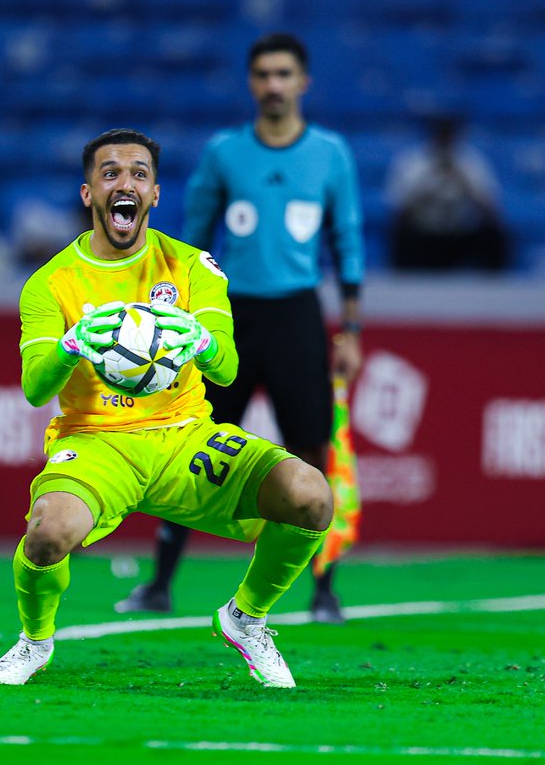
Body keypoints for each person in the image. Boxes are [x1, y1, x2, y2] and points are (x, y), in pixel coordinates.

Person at [0, 128, 334, 688]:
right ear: (88, 193)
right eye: (111, 173)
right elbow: (33, 385)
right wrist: (72, 345)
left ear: (156, 193)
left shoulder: (193, 267)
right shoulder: (50, 284)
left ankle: (247, 618)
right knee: (47, 535)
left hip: (185, 437)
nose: (127, 183)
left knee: (311, 495)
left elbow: (227, 369)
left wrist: (200, 340)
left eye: (139, 174)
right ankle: (33, 643)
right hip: (97, 443)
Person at [115, 32, 365, 626]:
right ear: (251, 83)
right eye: (262, 75)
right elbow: (192, 240)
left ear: (303, 82)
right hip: (229, 316)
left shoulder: (330, 154)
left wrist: (350, 328)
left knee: (310, 447)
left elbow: (347, 240)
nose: (273, 85)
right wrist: (170, 311)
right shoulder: (225, 153)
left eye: (283, 74)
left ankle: (323, 586)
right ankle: (160, 583)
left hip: (298, 315)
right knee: (190, 442)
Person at [386, 114, 509, 272]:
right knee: (399, 235)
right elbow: (398, 212)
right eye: (441, 134)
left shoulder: (471, 162)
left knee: (494, 236)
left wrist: (464, 183)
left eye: (448, 134)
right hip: (424, 236)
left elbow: (491, 211)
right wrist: (426, 187)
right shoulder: (412, 162)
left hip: (460, 235)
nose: (444, 139)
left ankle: (495, 287)